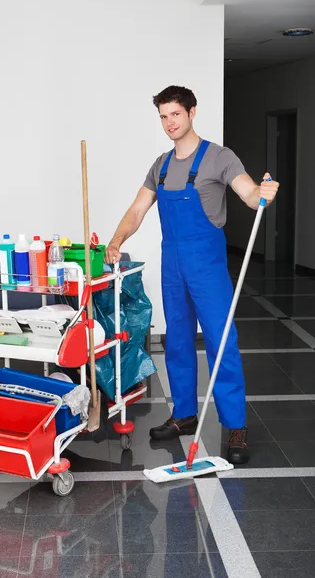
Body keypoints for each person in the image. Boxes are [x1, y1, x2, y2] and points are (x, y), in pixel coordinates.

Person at [104, 85, 279, 464]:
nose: (169, 123)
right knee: (178, 341)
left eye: (175, 115)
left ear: (192, 113)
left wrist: (261, 193)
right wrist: (116, 240)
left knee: (221, 343)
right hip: (174, 267)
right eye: (163, 116)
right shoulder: (161, 165)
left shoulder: (219, 158)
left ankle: (236, 427)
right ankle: (184, 414)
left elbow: (248, 193)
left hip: (209, 268)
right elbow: (137, 210)